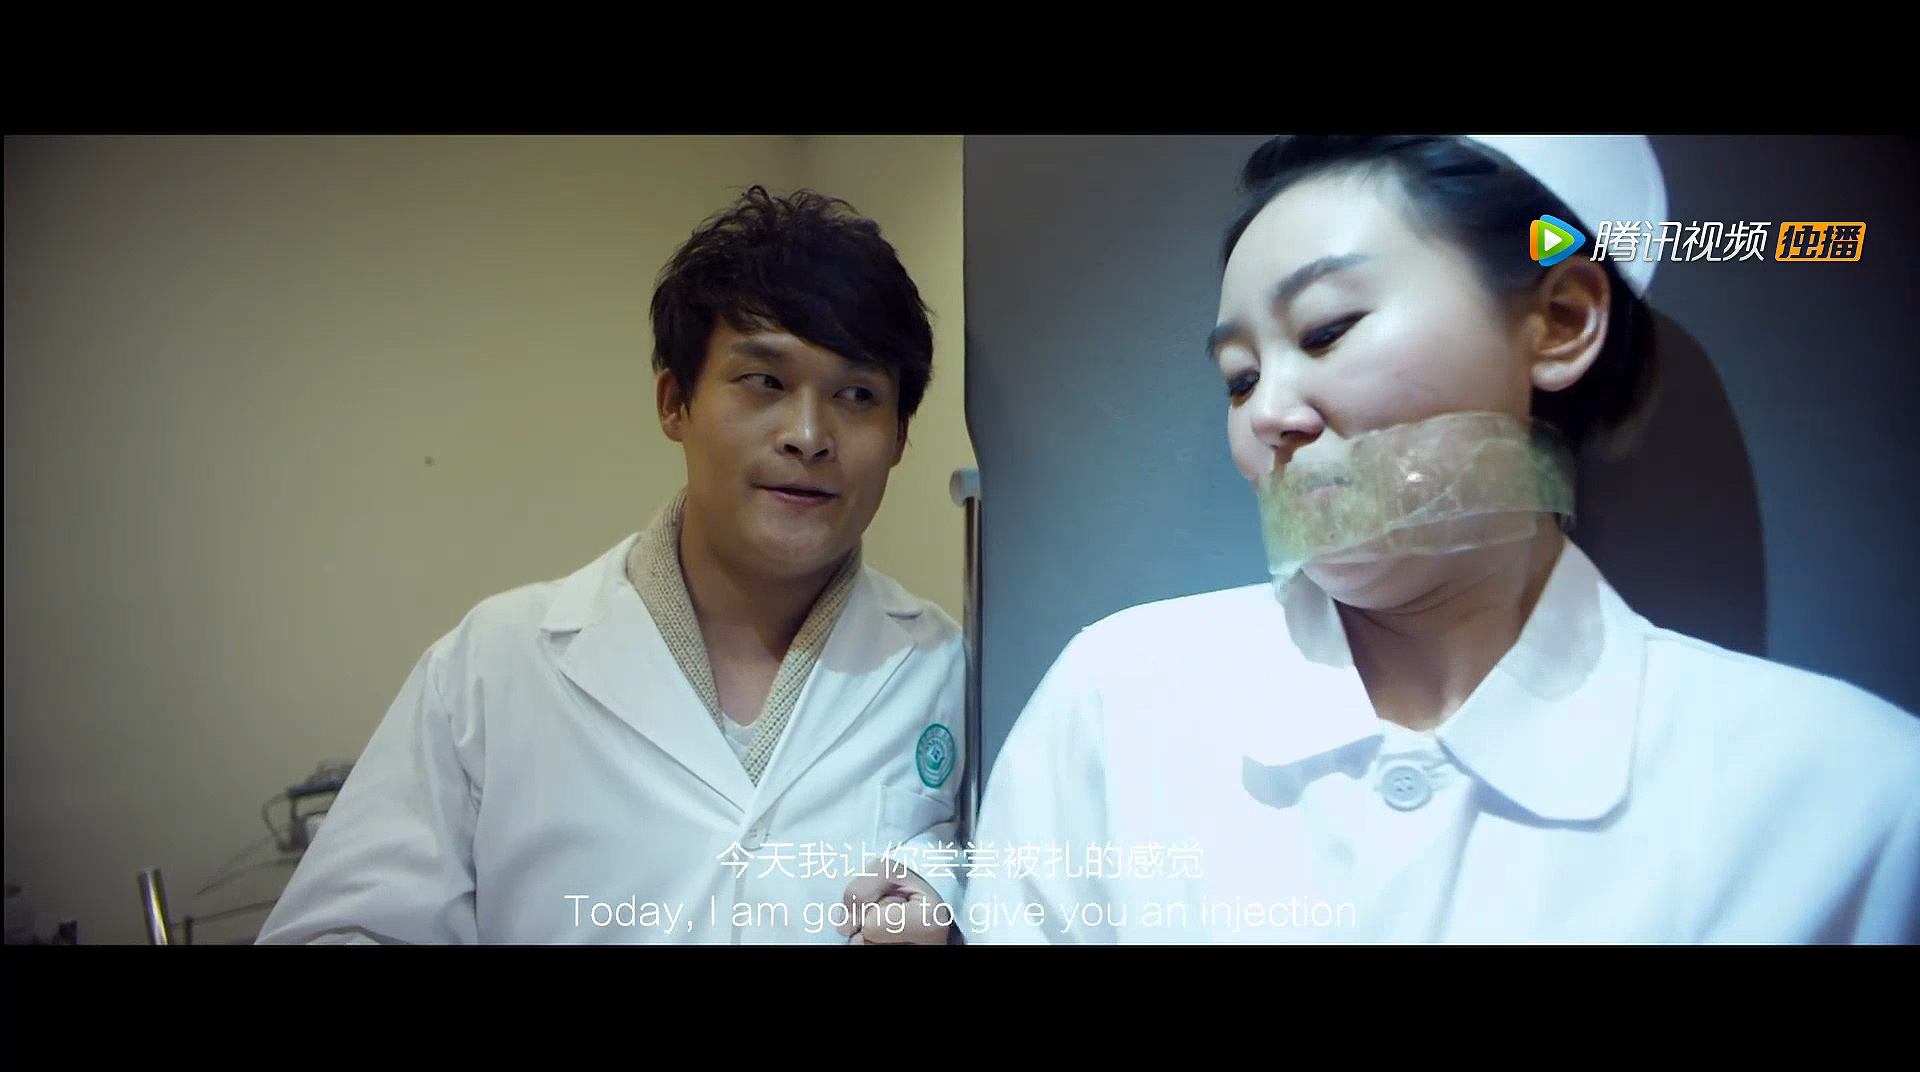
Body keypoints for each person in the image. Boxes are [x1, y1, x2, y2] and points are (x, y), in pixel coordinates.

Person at [960, 135, 1920, 944]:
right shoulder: (1118, 704)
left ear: (1561, 321)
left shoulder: (1848, 799)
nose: (1269, 416)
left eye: (1327, 329)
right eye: (1240, 378)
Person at [258, 186, 964, 945]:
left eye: (857, 394)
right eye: (765, 382)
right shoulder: (493, 666)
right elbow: (343, 927)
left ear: (899, 439)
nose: (808, 434)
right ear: (674, 403)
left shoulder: (945, 671)